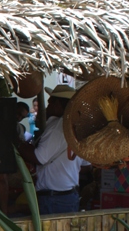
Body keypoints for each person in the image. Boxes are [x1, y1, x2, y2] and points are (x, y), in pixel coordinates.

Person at [17, 84, 86, 215]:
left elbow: (39, 158)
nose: (47, 107)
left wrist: (17, 145)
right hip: (68, 195)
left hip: (55, 199)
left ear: (57, 104)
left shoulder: (58, 127)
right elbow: (85, 165)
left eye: (50, 103)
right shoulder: (76, 126)